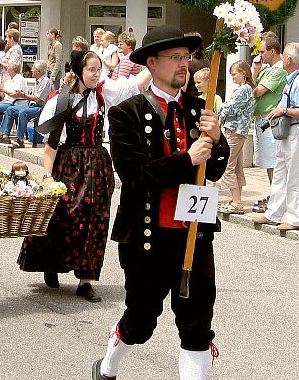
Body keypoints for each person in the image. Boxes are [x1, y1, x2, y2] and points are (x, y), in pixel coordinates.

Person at [94, 25, 229, 380]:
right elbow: (135, 177)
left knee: (197, 324)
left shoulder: (201, 109)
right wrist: (187, 159)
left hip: (194, 234)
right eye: (175, 58)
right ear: (151, 63)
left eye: (186, 57)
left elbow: (214, 170)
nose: (184, 65)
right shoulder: (126, 114)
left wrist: (217, 141)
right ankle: (108, 365)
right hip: (146, 236)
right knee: (141, 321)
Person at [18, 51, 153, 302]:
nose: (96, 74)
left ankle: (86, 279)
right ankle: (53, 263)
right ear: (79, 70)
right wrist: (47, 176)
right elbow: (51, 145)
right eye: (91, 70)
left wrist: (153, 58)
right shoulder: (62, 100)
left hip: (98, 165)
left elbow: (135, 85)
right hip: (69, 164)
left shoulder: (103, 97)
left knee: (95, 221)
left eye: (99, 70)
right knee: (63, 216)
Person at [254, 42, 299, 231]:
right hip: (287, 132)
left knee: (294, 176)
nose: (282, 59)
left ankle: (295, 218)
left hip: (295, 130)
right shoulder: (292, 79)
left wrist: (284, 110)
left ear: (288, 59)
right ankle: (273, 213)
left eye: (284, 57)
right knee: (280, 172)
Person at [250, 34, 286, 213]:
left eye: (262, 51)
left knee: (273, 160)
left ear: (273, 51)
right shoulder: (268, 69)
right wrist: (256, 71)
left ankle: (277, 196)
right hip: (262, 118)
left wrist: (254, 74)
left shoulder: (279, 70)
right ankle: (274, 194)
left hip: (270, 119)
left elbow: (257, 91)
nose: (260, 55)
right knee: (267, 159)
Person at [217, 61, 256, 214]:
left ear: (243, 73)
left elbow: (229, 107)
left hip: (234, 131)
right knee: (237, 166)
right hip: (237, 131)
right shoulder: (244, 89)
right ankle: (236, 198)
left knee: (228, 165)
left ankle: (237, 202)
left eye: (234, 74)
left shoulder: (244, 90)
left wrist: (220, 109)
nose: (232, 77)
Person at [0, 60, 53, 148]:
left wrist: (23, 95)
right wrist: (21, 94)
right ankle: (4, 135)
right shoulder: (37, 81)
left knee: (23, 112)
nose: (31, 70)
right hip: (31, 105)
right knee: (10, 109)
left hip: (41, 108)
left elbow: (38, 99)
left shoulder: (45, 81)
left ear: (38, 71)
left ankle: (19, 140)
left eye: (33, 68)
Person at [0, 58, 27, 140]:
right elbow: (4, 96)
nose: (7, 67)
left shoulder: (20, 79)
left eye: (8, 66)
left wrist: (4, 90)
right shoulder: (8, 80)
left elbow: (15, 94)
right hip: (6, 101)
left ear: (13, 68)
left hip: (15, 102)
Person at [184, 32, 210, 97]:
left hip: (191, 100)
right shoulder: (206, 61)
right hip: (205, 98)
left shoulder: (188, 63)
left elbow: (183, 88)